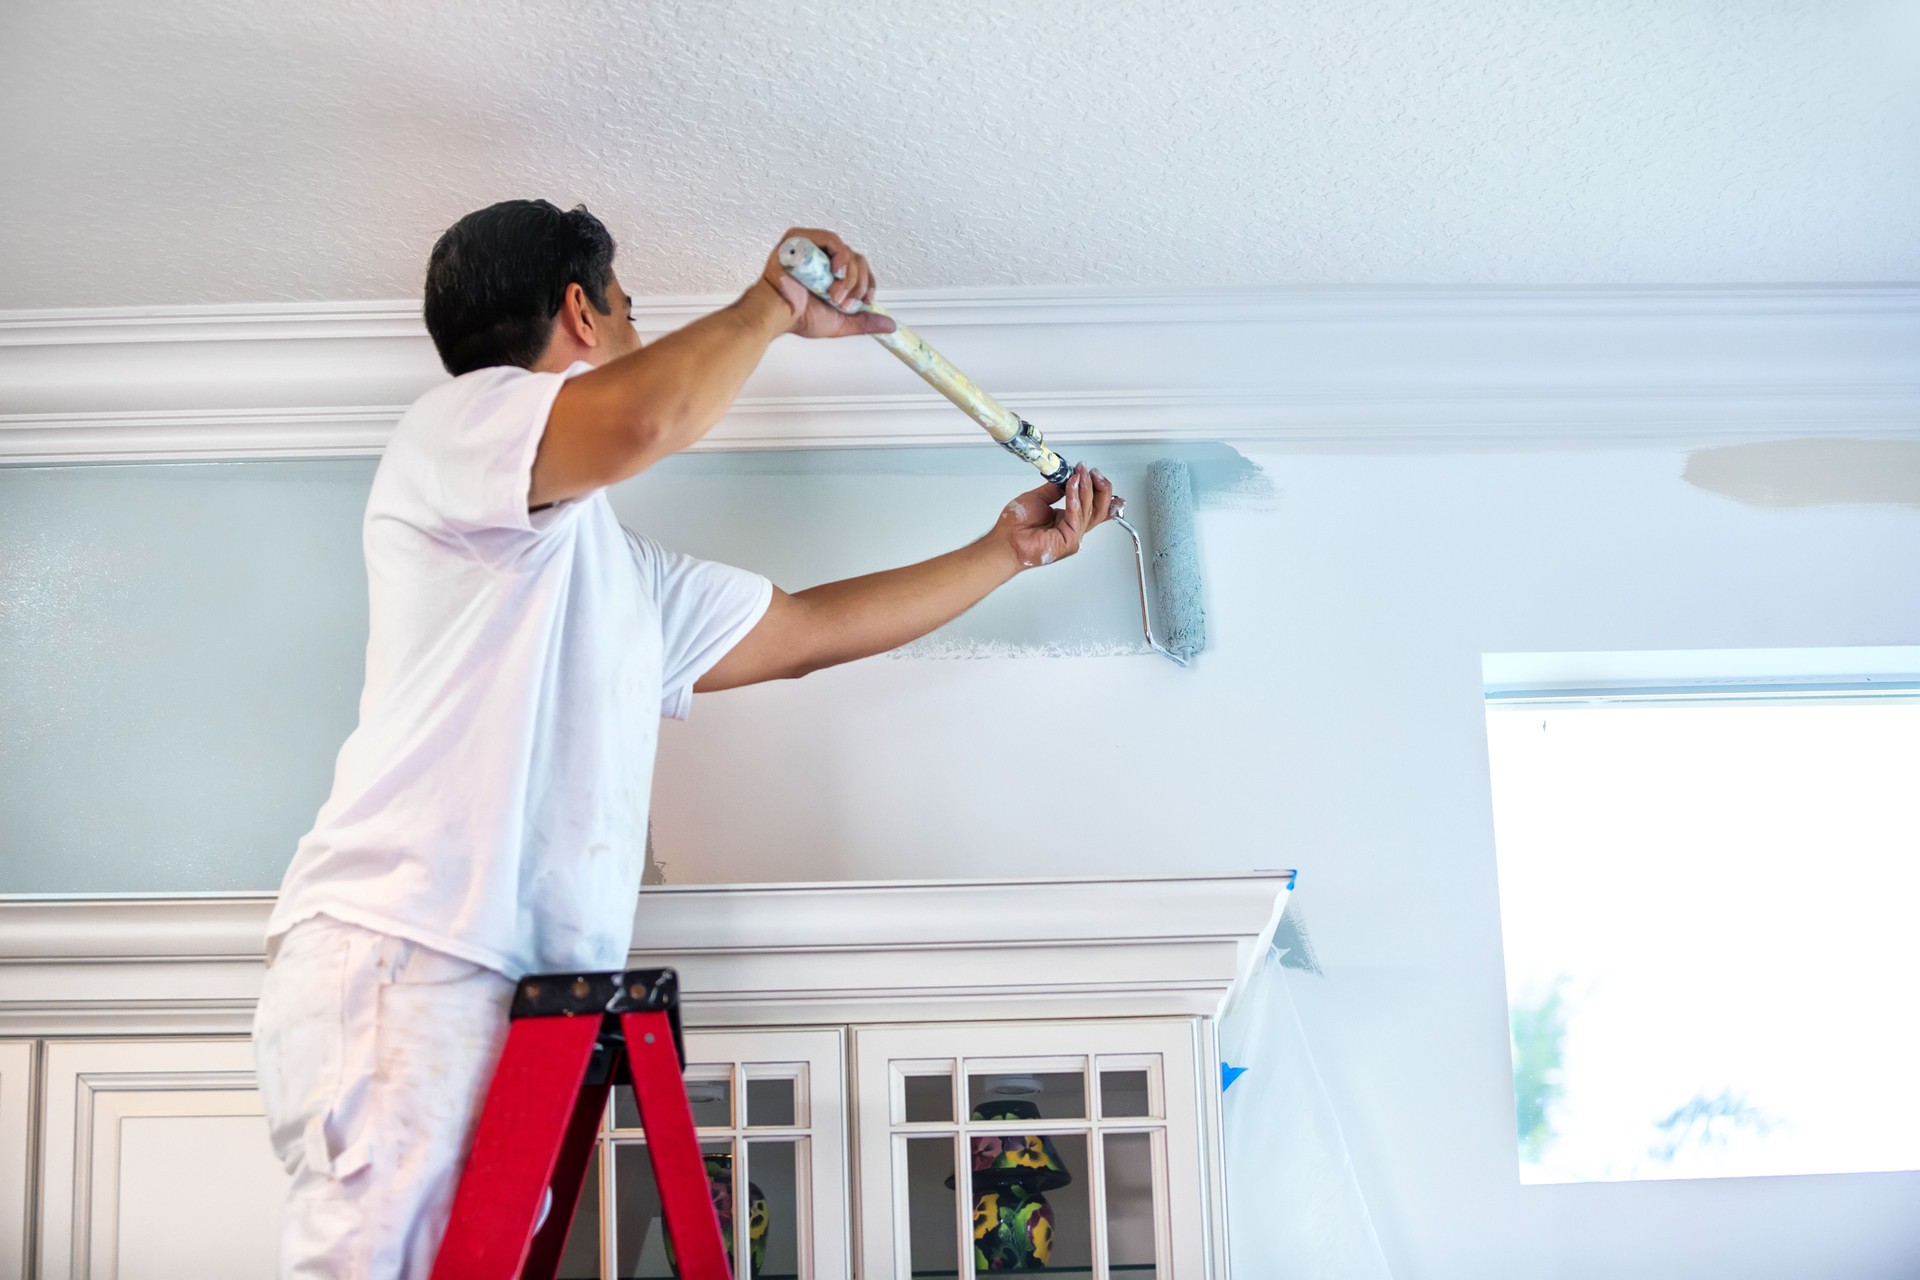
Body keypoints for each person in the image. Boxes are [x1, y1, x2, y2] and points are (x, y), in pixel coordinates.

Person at [250, 200, 1115, 1278]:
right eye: (626, 310)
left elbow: (802, 631)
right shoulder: (457, 427)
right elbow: (644, 421)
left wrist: (1005, 552)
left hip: (512, 990)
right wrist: (771, 306)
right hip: (410, 947)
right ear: (579, 312)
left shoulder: (607, 574)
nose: (634, 331)